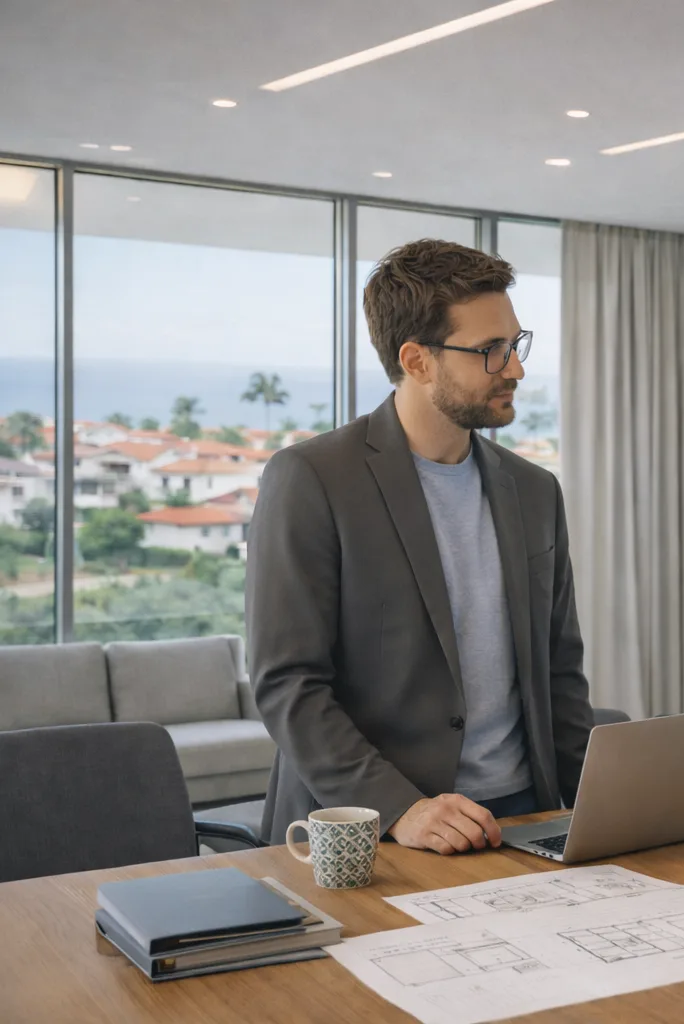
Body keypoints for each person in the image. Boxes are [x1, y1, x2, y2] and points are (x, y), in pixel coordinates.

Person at [247, 238, 593, 855]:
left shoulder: (536, 491)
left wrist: (602, 808)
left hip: (522, 822)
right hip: (374, 831)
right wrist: (400, 808)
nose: (514, 368)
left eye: (515, 345)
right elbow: (289, 683)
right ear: (417, 360)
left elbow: (559, 672)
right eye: (489, 350)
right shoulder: (312, 479)